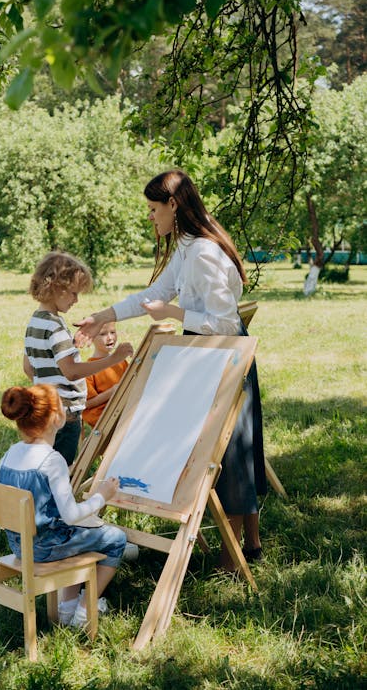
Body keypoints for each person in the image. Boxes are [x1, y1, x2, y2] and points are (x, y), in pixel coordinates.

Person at [75, 170, 267, 571]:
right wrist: (102, 316)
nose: (150, 217)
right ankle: (250, 545)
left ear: (173, 205)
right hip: (208, 351)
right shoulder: (185, 248)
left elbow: (226, 322)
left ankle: (237, 555)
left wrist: (175, 313)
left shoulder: (203, 253)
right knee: (231, 450)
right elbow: (153, 295)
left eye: (152, 208)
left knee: (230, 451)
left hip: (225, 353)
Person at [0, 383, 127, 627]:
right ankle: (85, 611)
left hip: (18, 545)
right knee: (116, 539)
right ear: (56, 418)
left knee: (81, 535)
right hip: (46, 548)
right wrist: (101, 496)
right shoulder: (52, 460)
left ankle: (66, 608)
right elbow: (70, 516)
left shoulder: (10, 453)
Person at [22, 251, 133, 466]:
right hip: (66, 414)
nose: (76, 299)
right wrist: (114, 358)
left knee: (45, 466)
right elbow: (71, 371)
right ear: (55, 287)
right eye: (73, 293)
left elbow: (29, 367)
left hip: (46, 409)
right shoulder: (55, 326)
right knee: (61, 469)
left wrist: (69, 348)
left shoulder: (35, 322)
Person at [82, 322, 129, 429]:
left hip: (123, 411)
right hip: (103, 420)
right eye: (103, 334)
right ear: (90, 338)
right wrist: (112, 391)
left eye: (113, 332)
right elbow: (87, 404)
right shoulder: (88, 369)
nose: (110, 338)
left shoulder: (121, 361)